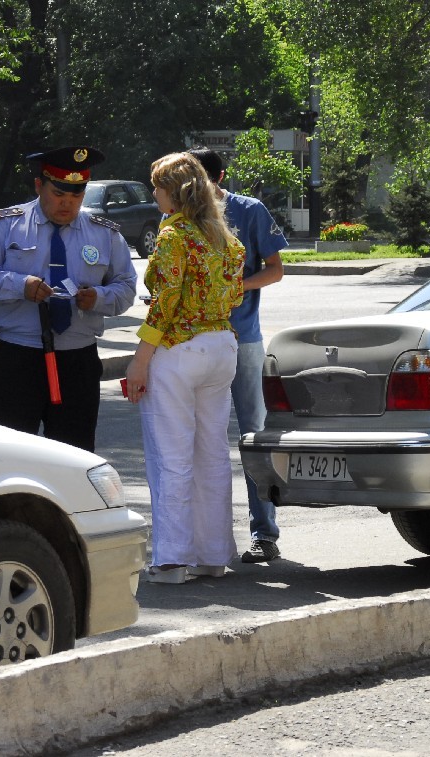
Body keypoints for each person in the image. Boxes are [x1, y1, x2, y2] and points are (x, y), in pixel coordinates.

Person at [0, 146, 137, 452]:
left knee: (75, 455)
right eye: (59, 194)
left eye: (76, 196)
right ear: (38, 185)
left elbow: (126, 287)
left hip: (77, 361)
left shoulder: (103, 233)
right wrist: (20, 285)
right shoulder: (5, 225)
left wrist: (98, 297)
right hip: (19, 358)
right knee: (9, 454)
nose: (67, 203)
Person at [124, 152, 245, 584]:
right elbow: (234, 299)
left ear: (173, 193)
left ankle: (172, 560)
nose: (154, 194)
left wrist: (140, 362)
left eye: (157, 187)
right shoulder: (225, 239)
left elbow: (165, 304)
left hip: (180, 349)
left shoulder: (173, 236)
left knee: (170, 455)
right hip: (221, 346)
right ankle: (213, 555)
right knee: (212, 453)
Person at [188, 147, 288, 565]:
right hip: (194, 339)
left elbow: (276, 268)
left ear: (219, 177)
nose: (192, 189)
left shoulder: (249, 210)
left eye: (199, 180)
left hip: (242, 337)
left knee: (253, 435)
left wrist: (238, 288)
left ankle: (264, 533)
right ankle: (204, 538)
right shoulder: (179, 213)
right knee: (197, 438)